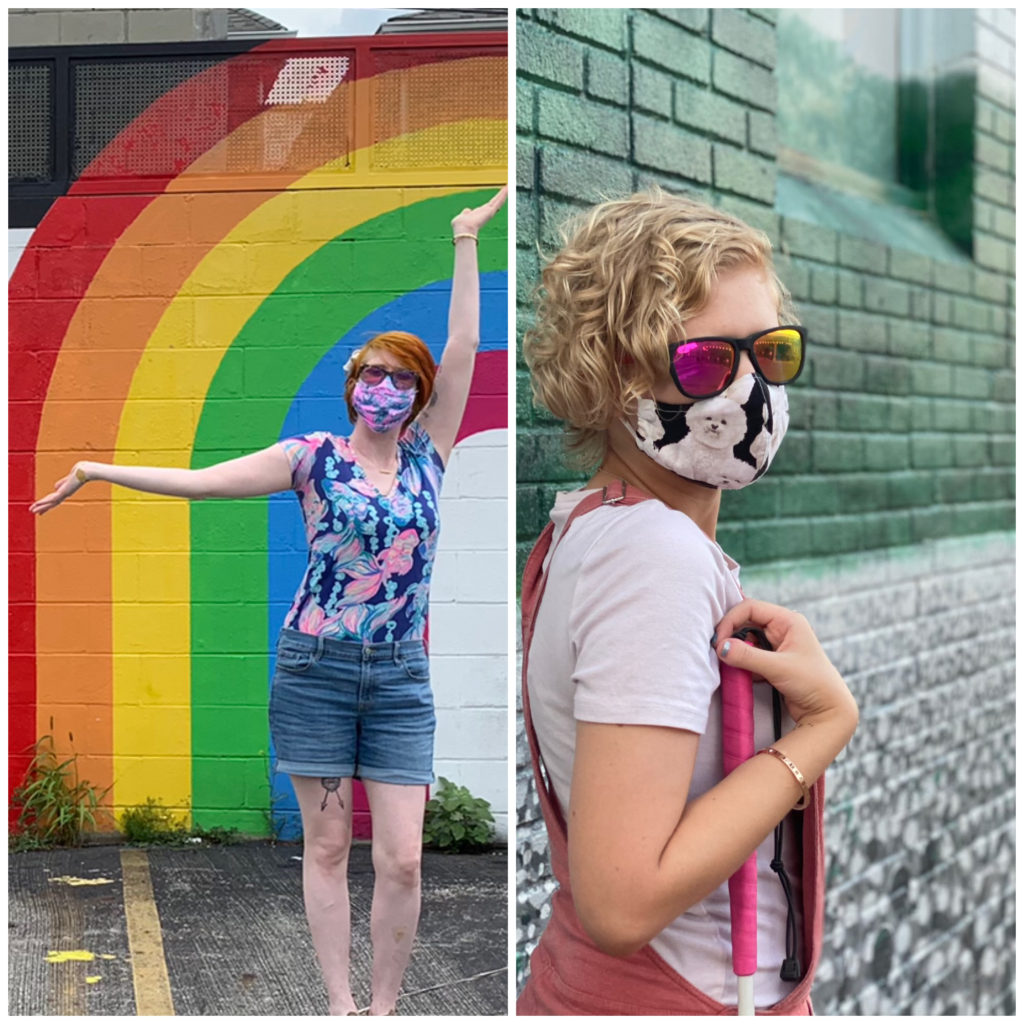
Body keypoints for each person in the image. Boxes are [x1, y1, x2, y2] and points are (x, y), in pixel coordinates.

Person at [31, 185, 508, 1016]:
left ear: (420, 393)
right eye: (373, 374)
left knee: (402, 858)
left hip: (398, 679)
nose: (385, 388)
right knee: (327, 846)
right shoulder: (312, 456)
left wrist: (465, 240)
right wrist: (98, 470)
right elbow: (202, 486)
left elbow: (465, 338)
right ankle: (337, 1003)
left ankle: (385, 1007)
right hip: (315, 668)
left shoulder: (432, 455)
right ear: (352, 383)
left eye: (402, 378)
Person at [517, 188, 858, 1015]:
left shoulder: (590, 531)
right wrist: (821, 729)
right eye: (706, 362)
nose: (750, 391)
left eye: (772, 353)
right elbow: (624, 901)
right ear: (613, 374)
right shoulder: (652, 555)